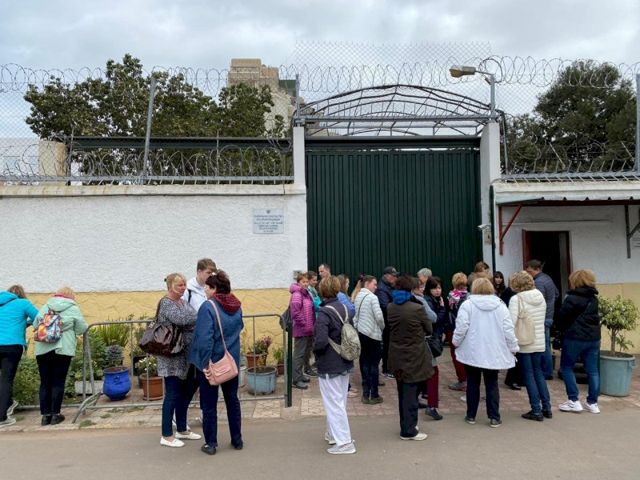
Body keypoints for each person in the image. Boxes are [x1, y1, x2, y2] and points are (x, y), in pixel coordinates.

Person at [189, 271, 244, 455]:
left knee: (209, 404)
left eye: (207, 286)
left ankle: (211, 443)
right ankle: (237, 439)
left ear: (215, 289)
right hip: (231, 361)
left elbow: (205, 339)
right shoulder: (236, 305)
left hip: (212, 363)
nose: (205, 290)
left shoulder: (208, 307)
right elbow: (239, 327)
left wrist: (204, 363)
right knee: (232, 400)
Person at [453, 278, 519, 428]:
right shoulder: (501, 306)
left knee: (473, 382)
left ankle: (471, 415)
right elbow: (508, 329)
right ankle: (494, 417)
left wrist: (456, 342)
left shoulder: (468, 305)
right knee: (492, 383)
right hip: (493, 350)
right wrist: (513, 347)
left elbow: (461, 326)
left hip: (472, 350)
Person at [314, 275, 356, 455]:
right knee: (340, 401)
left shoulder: (324, 312)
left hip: (329, 363)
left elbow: (321, 341)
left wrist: (315, 352)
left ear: (322, 291)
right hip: (345, 359)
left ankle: (344, 443)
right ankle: (333, 434)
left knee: (333, 403)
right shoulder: (345, 308)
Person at [34, 287, 88, 426]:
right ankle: (55, 415)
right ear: (71, 296)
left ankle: (45, 417)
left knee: (45, 382)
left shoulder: (46, 306)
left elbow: (35, 324)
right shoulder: (73, 308)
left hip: (43, 349)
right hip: (62, 349)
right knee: (58, 381)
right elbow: (82, 328)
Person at [157, 273, 200, 448]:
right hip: (171, 357)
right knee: (172, 394)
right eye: (179, 285)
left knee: (187, 391)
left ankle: (182, 429)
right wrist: (197, 317)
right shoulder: (166, 303)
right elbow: (183, 319)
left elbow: (192, 316)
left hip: (185, 355)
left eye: (184, 285)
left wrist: (194, 318)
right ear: (170, 287)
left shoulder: (182, 302)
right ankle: (166, 435)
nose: (183, 288)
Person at [388, 275, 433, 441]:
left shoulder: (391, 307)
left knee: (403, 391)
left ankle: (406, 425)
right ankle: (409, 430)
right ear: (411, 289)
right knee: (411, 394)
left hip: (396, 354)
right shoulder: (417, 308)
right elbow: (429, 328)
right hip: (414, 355)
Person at [555, 269, 601, 414]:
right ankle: (592, 403)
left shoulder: (572, 298)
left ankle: (574, 400)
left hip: (574, 337)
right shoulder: (594, 298)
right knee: (593, 370)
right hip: (593, 338)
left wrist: (558, 332)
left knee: (566, 367)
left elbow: (562, 317)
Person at [508, 271, 551, 421]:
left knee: (528, 375)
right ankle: (547, 407)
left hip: (524, 341)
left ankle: (536, 410)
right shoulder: (540, 296)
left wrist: (510, 342)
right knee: (538, 373)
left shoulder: (516, 299)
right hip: (539, 340)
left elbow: (511, 322)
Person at [0, 285, 39, 427]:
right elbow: (38, 317)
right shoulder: (23, 303)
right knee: (6, 379)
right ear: (21, 294)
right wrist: (25, 322)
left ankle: (9, 403)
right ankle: (2, 417)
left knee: (3, 380)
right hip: (12, 345)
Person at [352, 275, 385, 404]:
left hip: (362, 333)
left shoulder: (358, 296)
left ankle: (365, 394)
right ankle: (374, 394)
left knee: (364, 362)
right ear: (367, 284)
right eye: (374, 284)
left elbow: (355, 316)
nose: (376, 287)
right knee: (374, 364)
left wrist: (358, 327)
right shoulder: (373, 297)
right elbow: (379, 317)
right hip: (373, 335)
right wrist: (382, 327)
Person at [525, 260, 559, 379]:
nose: (528, 273)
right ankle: (547, 370)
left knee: (542, 346)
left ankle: (546, 372)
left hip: (542, 317)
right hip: (549, 316)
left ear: (536, 269)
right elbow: (556, 294)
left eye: (529, 271)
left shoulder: (538, 282)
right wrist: (551, 305)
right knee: (546, 345)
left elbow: (538, 300)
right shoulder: (547, 278)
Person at [422, 276, 447, 421]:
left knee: (427, 370)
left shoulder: (435, 299)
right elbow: (435, 319)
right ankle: (432, 405)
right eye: (434, 288)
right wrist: (443, 309)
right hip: (429, 340)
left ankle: (427, 397)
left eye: (439, 288)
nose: (437, 291)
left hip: (432, 338)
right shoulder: (428, 301)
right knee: (432, 371)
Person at [290, 272, 315, 390]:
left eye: (306, 282)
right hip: (301, 329)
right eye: (303, 282)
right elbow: (295, 313)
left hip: (308, 329)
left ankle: (300, 375)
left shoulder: (306, 294)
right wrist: (304, 324)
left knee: (305, 353)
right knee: (299, 355)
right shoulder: (297, 294)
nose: (305, 284)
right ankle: (296, 380)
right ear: (298, 282)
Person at [446, 272, 469, 391]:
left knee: (456, 354)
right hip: (467, 329)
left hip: (453, 328)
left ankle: (462, 379)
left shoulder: (451, 296)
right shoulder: (469, 296)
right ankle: (468, 378)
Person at [376, 266, 399, 378]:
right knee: (387, 346)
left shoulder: (390, 286)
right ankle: (387, 369)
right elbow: (385, 306)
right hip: (387, 323)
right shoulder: (382, 289)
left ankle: (390, 367)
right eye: (393, 276)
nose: (395, 278)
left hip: (391, 322)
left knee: (391, 346)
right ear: (386, 276)